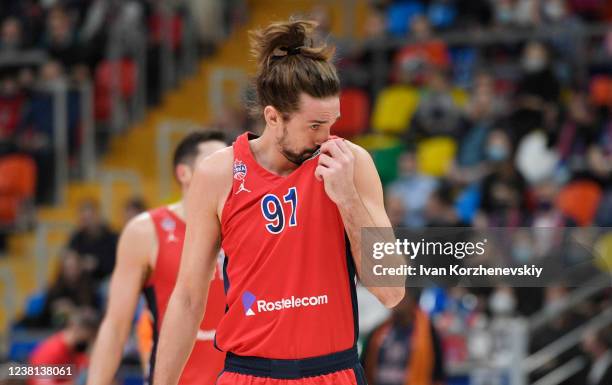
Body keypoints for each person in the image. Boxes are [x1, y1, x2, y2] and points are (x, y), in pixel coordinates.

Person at [153, 19, 404, 385]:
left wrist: (347, 197)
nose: (326, 137)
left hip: (333, 372)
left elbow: (392, 290)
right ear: (273, 117)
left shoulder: (352, 163)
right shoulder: (219, 173)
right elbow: (189, 298)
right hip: (250, 374)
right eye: (314, 126)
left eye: (331, 123)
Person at [86, 131, 229, 385]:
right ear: (183, 173)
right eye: (214, 160)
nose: (226, 168)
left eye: (229, 161)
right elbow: (116, 326)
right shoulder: (146, 232)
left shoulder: (248, 225)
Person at [361, 290, 445, 385]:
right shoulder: (378, 331)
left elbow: (438, 372)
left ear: (412, 300)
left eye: (402, 298)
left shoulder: (429, 332)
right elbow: (365, 365)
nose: (397, 302)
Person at [29, 308, 100, 385]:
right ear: (74, 328)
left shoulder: (77, 352)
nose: (88, 342)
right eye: (87, 337)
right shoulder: (50, 351)